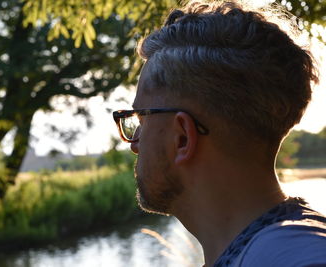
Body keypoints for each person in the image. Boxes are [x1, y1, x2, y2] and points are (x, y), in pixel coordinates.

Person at [112, 1, 326, 266]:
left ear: (182, 138)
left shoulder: (291, 257)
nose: (135, 144)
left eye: (141, 119)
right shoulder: (275, 246)